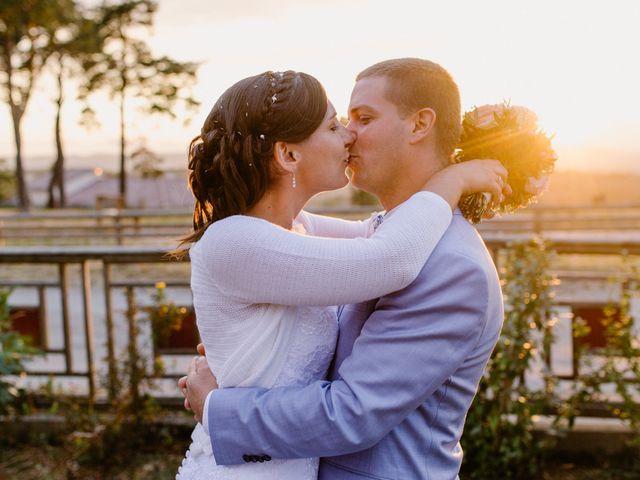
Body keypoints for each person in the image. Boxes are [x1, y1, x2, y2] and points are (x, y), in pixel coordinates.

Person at [176, 66, 507, 480]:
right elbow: (385, 254)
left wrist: (218, 407)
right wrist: (452, 180)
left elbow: (352, 413)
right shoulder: (244, 240)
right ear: (288, 155)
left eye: (362, 119)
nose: (349, 134)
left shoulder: (451, 265)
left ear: (421, 124)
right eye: (339, 124)